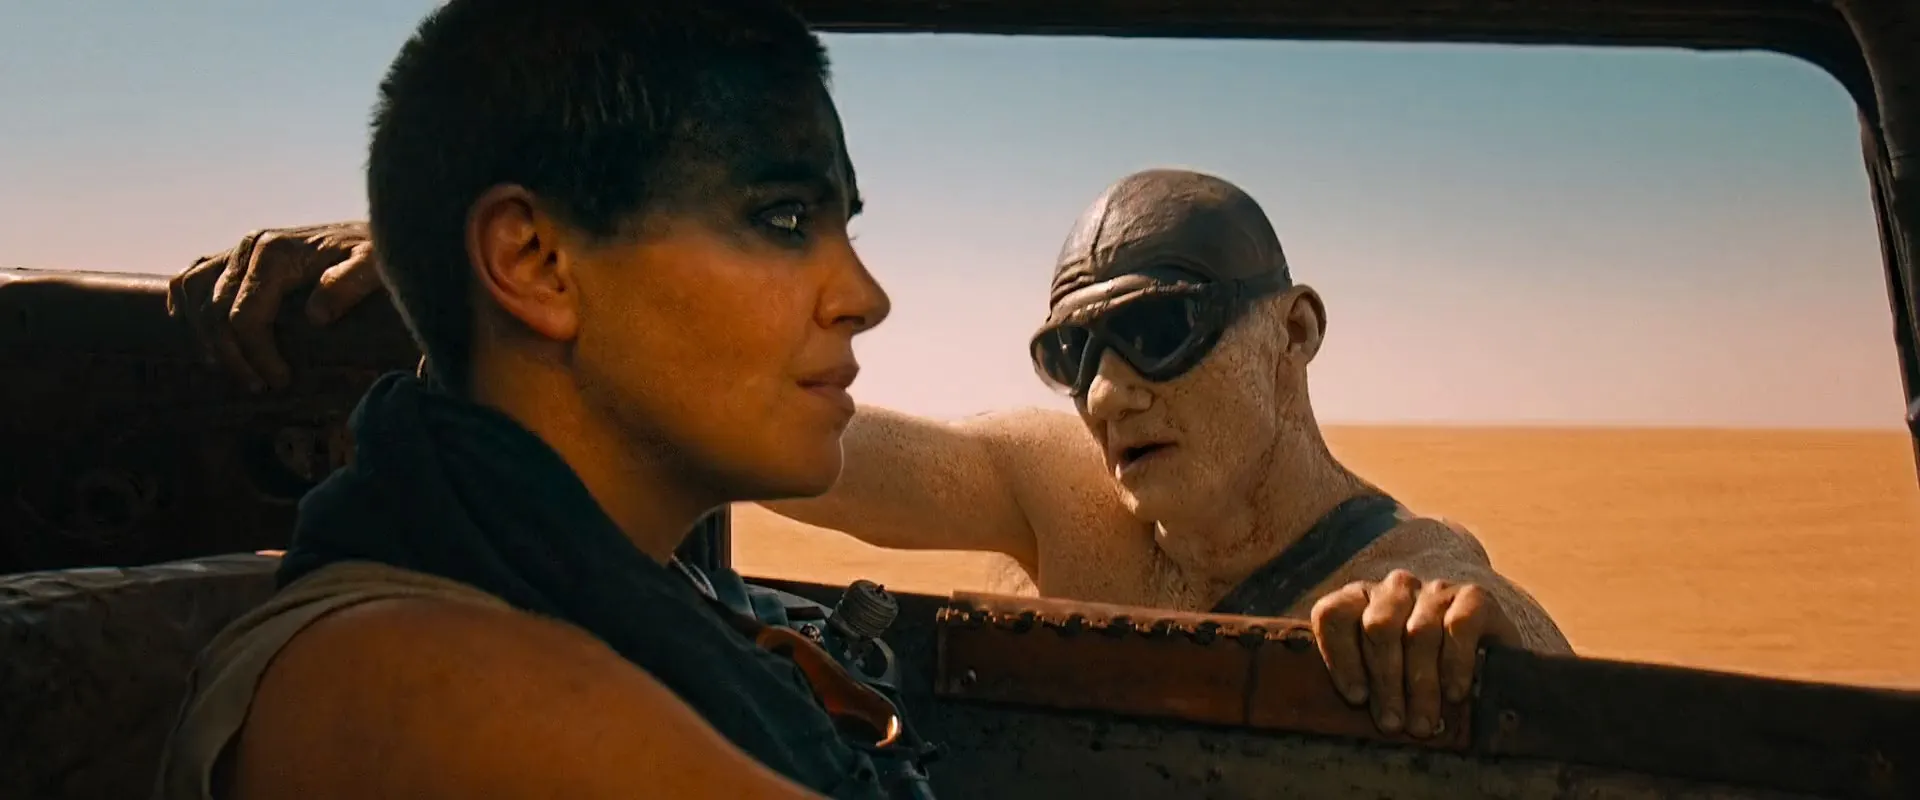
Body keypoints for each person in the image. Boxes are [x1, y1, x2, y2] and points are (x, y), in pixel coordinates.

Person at [154, 0, 906, 797]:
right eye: (784, 219)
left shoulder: (628, 594)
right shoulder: (434, 690)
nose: (866, 297)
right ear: (535, 262)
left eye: (844, 229)